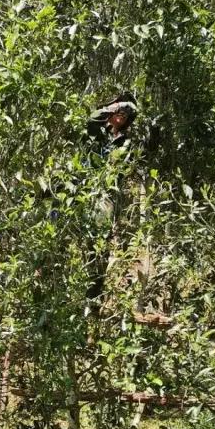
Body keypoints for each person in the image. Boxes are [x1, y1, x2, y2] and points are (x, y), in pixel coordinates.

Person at [85, 91, 138, 310]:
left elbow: (139, 159)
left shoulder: (125, 142)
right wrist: (114, 105)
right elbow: (92, 118)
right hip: (83, 191)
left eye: (126, 114)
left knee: (98, 247)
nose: (121, 115)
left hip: (105, 197)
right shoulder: (98, 131)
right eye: (120, 110)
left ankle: (93, 300)